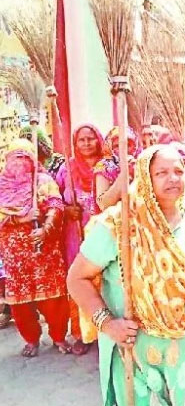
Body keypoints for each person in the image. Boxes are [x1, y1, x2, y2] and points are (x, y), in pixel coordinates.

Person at [67, 145, 185, 406]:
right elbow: (76, 278)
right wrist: (107, 323)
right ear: (144, 177)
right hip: (140, 351)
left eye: (178, 171)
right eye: (161, 173)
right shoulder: (120, 224)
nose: (173, 179)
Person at [0, 139, 71, 357]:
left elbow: (56, 205)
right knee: (21, 303)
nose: (20, 162)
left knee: (54, 298)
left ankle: (58, 336)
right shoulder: (1, 186)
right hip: (15, 256)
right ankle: (31, 339)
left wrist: (46, 228)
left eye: (25, 157)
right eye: (16, 157)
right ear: (7, 160)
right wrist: (20, 220)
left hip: (44, 251)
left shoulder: (42, 181)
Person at [55, 123, 104, 355]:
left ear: (98, 140)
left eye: (90, 139)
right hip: (76, 234)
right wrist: (66, 210)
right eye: (81, 140)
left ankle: (106, 331)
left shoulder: (108, 166)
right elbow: (54, 200)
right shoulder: (67, 169)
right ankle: (81, 333)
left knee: (105, 281)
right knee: (78, 279)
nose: (86, 144)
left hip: (104, 233)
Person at [93, 127, 140, 212]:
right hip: (115, 220)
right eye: (116, 146)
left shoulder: (142, 163)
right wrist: (125, 174)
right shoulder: (104, 166)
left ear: (135, 147)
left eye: (127, 145)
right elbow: (104, 204)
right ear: (110, 147)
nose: (122, 149)